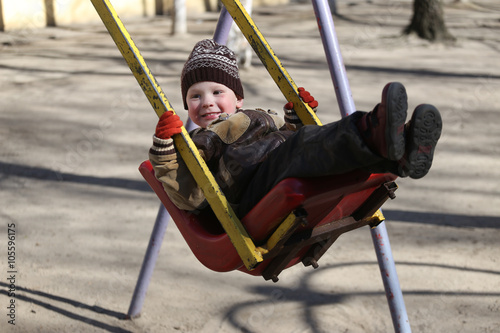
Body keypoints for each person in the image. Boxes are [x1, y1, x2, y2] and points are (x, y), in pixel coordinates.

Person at [149, 39, 442, 219]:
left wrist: (297, 117)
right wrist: (165, 150)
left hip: (282, 166)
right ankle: (374, 130)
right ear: (186, 105)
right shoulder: (197, 142)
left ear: (238, 97)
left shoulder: (259, 116)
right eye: (195, 96)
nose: (207, 102)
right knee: (305, 144)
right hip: (253, 192)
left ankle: (399, 152)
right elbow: (187, 196)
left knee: (313, 142)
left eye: (216, 92)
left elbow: (288, 135)